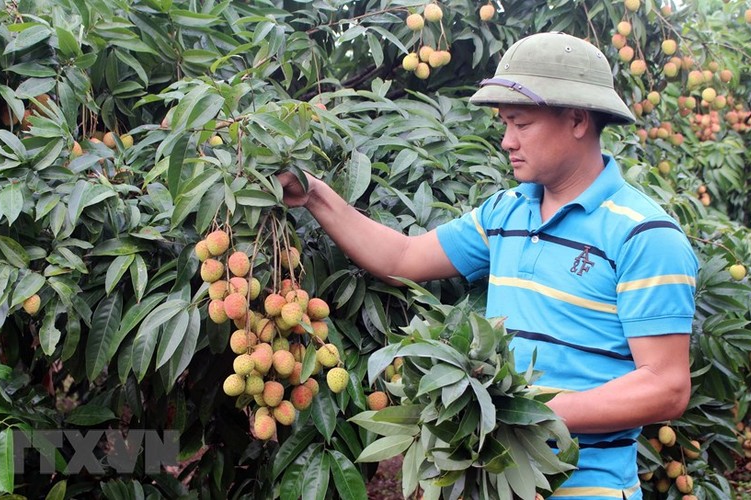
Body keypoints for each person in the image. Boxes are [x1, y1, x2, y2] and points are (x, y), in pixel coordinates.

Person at [279, 32, 698, 500]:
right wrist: (313, 194)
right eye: (504, 124)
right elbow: (402, 257)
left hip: (586, 488)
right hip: (492, 481)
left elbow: (666, 388)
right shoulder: (505, 213)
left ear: (577, 119)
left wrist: (519, 411)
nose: (506, 141)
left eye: (520, 123)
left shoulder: (645, 235)